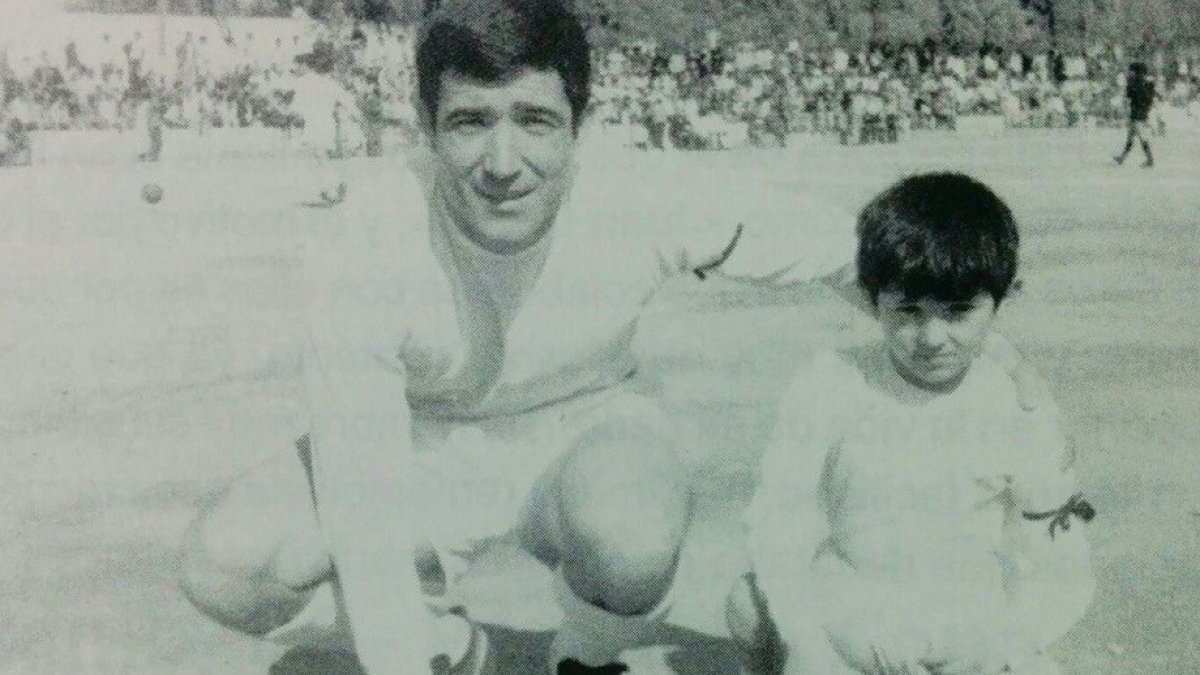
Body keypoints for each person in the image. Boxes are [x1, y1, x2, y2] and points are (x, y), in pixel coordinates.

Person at [178, 3, 1047, 674]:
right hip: (419, 447)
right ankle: (448, 643)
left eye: (535, 120)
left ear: (578, 123)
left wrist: (970, 313)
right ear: (426, 126)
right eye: (471, 121)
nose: (503, 160)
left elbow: (836, 251)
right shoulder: (368, 241)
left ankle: (584, 654)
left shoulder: (637, 197)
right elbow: (363, 493)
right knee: (224, 566)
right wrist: (397, 655)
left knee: (631, 529)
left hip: (587, 436)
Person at [727, 173, 1095, 675]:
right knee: (749, 607)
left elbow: (1058, 557)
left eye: (960, 311)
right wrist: (806, 637)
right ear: (872, 296)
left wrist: (1013, 639)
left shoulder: (1021, 409)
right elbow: (777, 523)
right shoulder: (829, 383)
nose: (931, 337)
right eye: (908, 310)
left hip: (971, 619)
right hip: (853, 610)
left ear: (1002, 299)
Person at [1113, 61, 1157, 168]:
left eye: (1131, 71)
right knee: (1131, 137)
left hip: (1138, 114)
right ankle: (1122, 158)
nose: (1129, 73)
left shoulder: (1137, 83)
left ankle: (1150, 160)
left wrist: (1129, 85)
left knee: (1141, 137)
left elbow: (1131, 96)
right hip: (1139, 113)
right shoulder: (1145, 83)